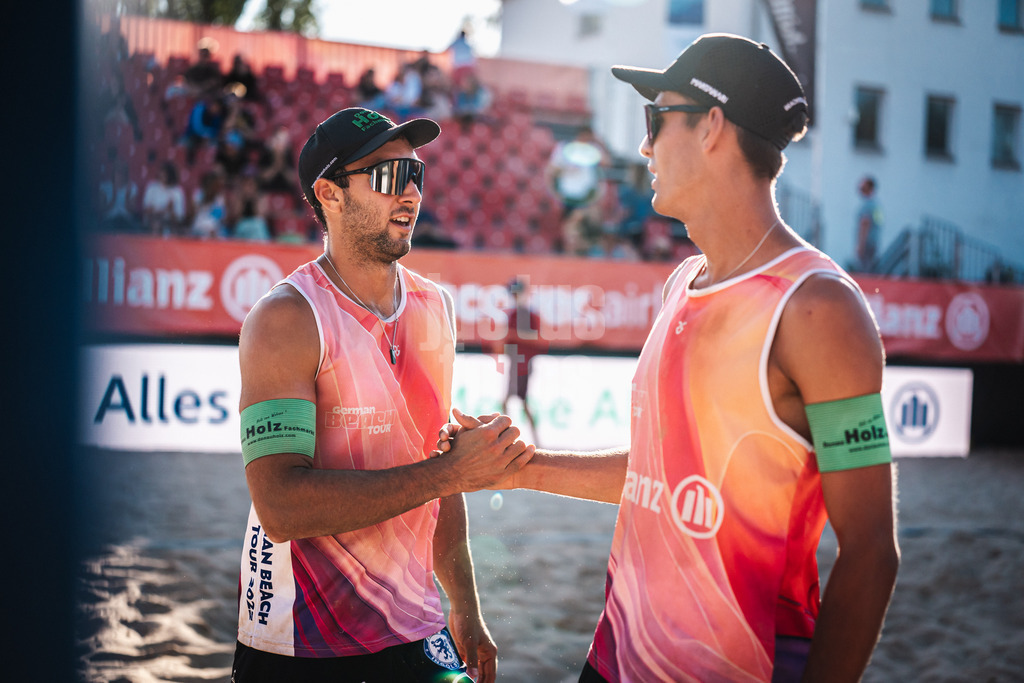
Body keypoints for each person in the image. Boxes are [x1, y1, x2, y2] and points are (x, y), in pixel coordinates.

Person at [442, 34, 899, 682]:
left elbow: (872, 552)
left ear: (712, 126)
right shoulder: (681, 281)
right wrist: (514, 468)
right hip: (614, 656)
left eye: (656, 119)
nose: (643, 145)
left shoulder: (818, 308)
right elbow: (657, 478)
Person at [232, 106, 534, 683]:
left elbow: (440, 463)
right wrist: (448, 475)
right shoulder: (286, 319)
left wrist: (465, 604)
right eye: (389, 177)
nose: (412, 195)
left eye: (416, 176)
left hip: (417, 623)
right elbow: (281, 507)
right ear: (329, 192)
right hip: (302, 640)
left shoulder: (435, 309)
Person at [482, 278, 548, 446]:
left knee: (518, 401)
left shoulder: (528, 314)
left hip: (524, 364)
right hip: (515, 363)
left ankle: (512, 439)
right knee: (517, 402)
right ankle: (519, 439)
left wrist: (512, 335)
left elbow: (536, 337)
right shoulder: (514, 314)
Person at [141, 160, 187, 236]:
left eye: (165, 175)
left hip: (170, 223)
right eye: (161, 173)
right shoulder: (152, 187)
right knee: (157, 224)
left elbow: (179, 218)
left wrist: (171, 210)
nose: (162, 176)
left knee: (182, 230)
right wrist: (164, 210)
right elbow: (147, 211)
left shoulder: (178, 191)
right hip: (153, 222)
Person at [854, 175, 882, 273]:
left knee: (864, 272)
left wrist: (861, 245)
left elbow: (865, 224)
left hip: (866, 244)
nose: (860, 189)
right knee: (870, 270)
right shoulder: (876, 205)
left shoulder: (867, 205)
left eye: (863, 187)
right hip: (873, 243)